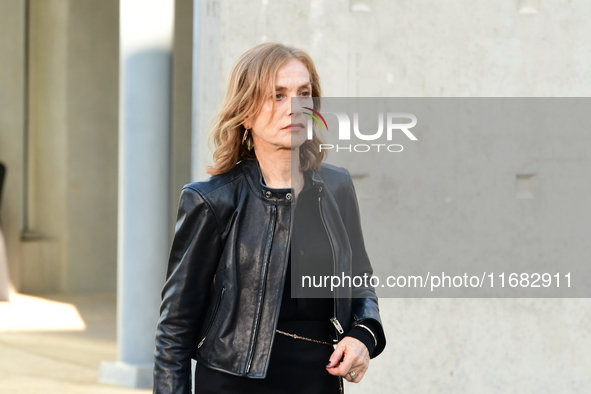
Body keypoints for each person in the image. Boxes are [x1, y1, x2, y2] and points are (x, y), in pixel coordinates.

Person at [153, 43, 386, 394]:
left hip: (318, 378)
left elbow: (359, 278)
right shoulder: (212, 200)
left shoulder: (336, 186)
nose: (293, 107)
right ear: (246, 113)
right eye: (276, 95)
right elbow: (175, 328)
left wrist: (364, 335)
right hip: (233, 383)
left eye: (303, 93)